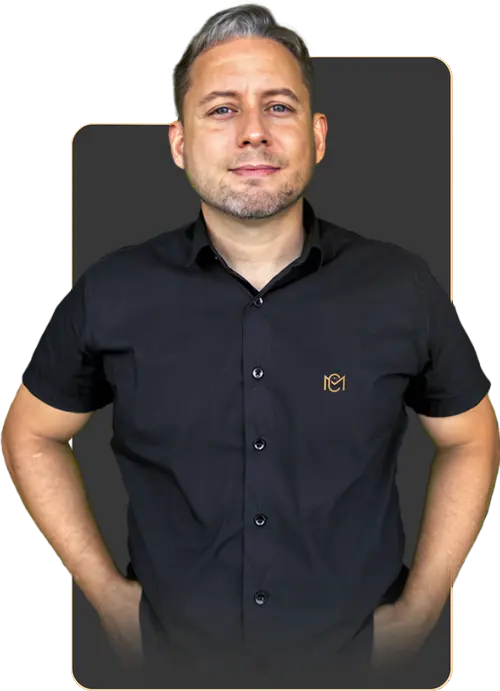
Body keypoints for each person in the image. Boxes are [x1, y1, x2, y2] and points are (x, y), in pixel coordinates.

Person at [1, 1, 498, 687]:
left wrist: (421, 612)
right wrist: (108, 599)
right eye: (223, 109)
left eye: (279, 107)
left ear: (317, 136)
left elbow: (471, 437)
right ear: (179, 143)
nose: (254, 132)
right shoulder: (112, 289)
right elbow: (29, 433)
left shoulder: (402, 285)